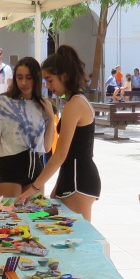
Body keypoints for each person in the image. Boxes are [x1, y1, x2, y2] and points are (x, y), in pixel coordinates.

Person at [16, 45, 99, 221]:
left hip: (78, 181)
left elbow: (61, 154)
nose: (47, 85)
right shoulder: (74, 102)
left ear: (64, 76)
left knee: (76, 237)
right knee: (45, 218)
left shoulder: (75, 104)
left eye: (50, 80)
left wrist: (34, 187)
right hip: (72, 178)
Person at [0, 56, 55, 199]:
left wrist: (51, 118)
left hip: (37, 171)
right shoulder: (3, 102)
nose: (24, 82)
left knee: (35, 218)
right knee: (9, 218)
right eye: (19, 77)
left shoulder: (42, 105)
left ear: (36, 78)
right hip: (11, 169)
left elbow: (47, 147)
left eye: (29, 78)